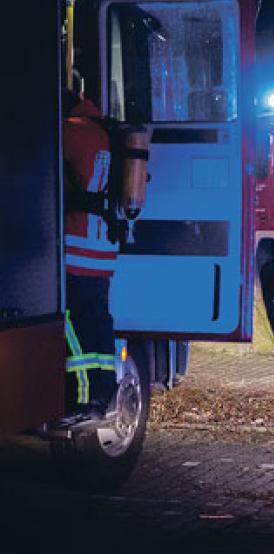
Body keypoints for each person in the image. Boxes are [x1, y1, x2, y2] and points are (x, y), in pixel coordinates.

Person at [61, 89, 120, 421]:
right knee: (96, 322)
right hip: (102, 247)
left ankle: (83, 401)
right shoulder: (104, 132)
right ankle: (101, 395)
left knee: (69, 321)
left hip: (77, 246)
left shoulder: (71, 131)